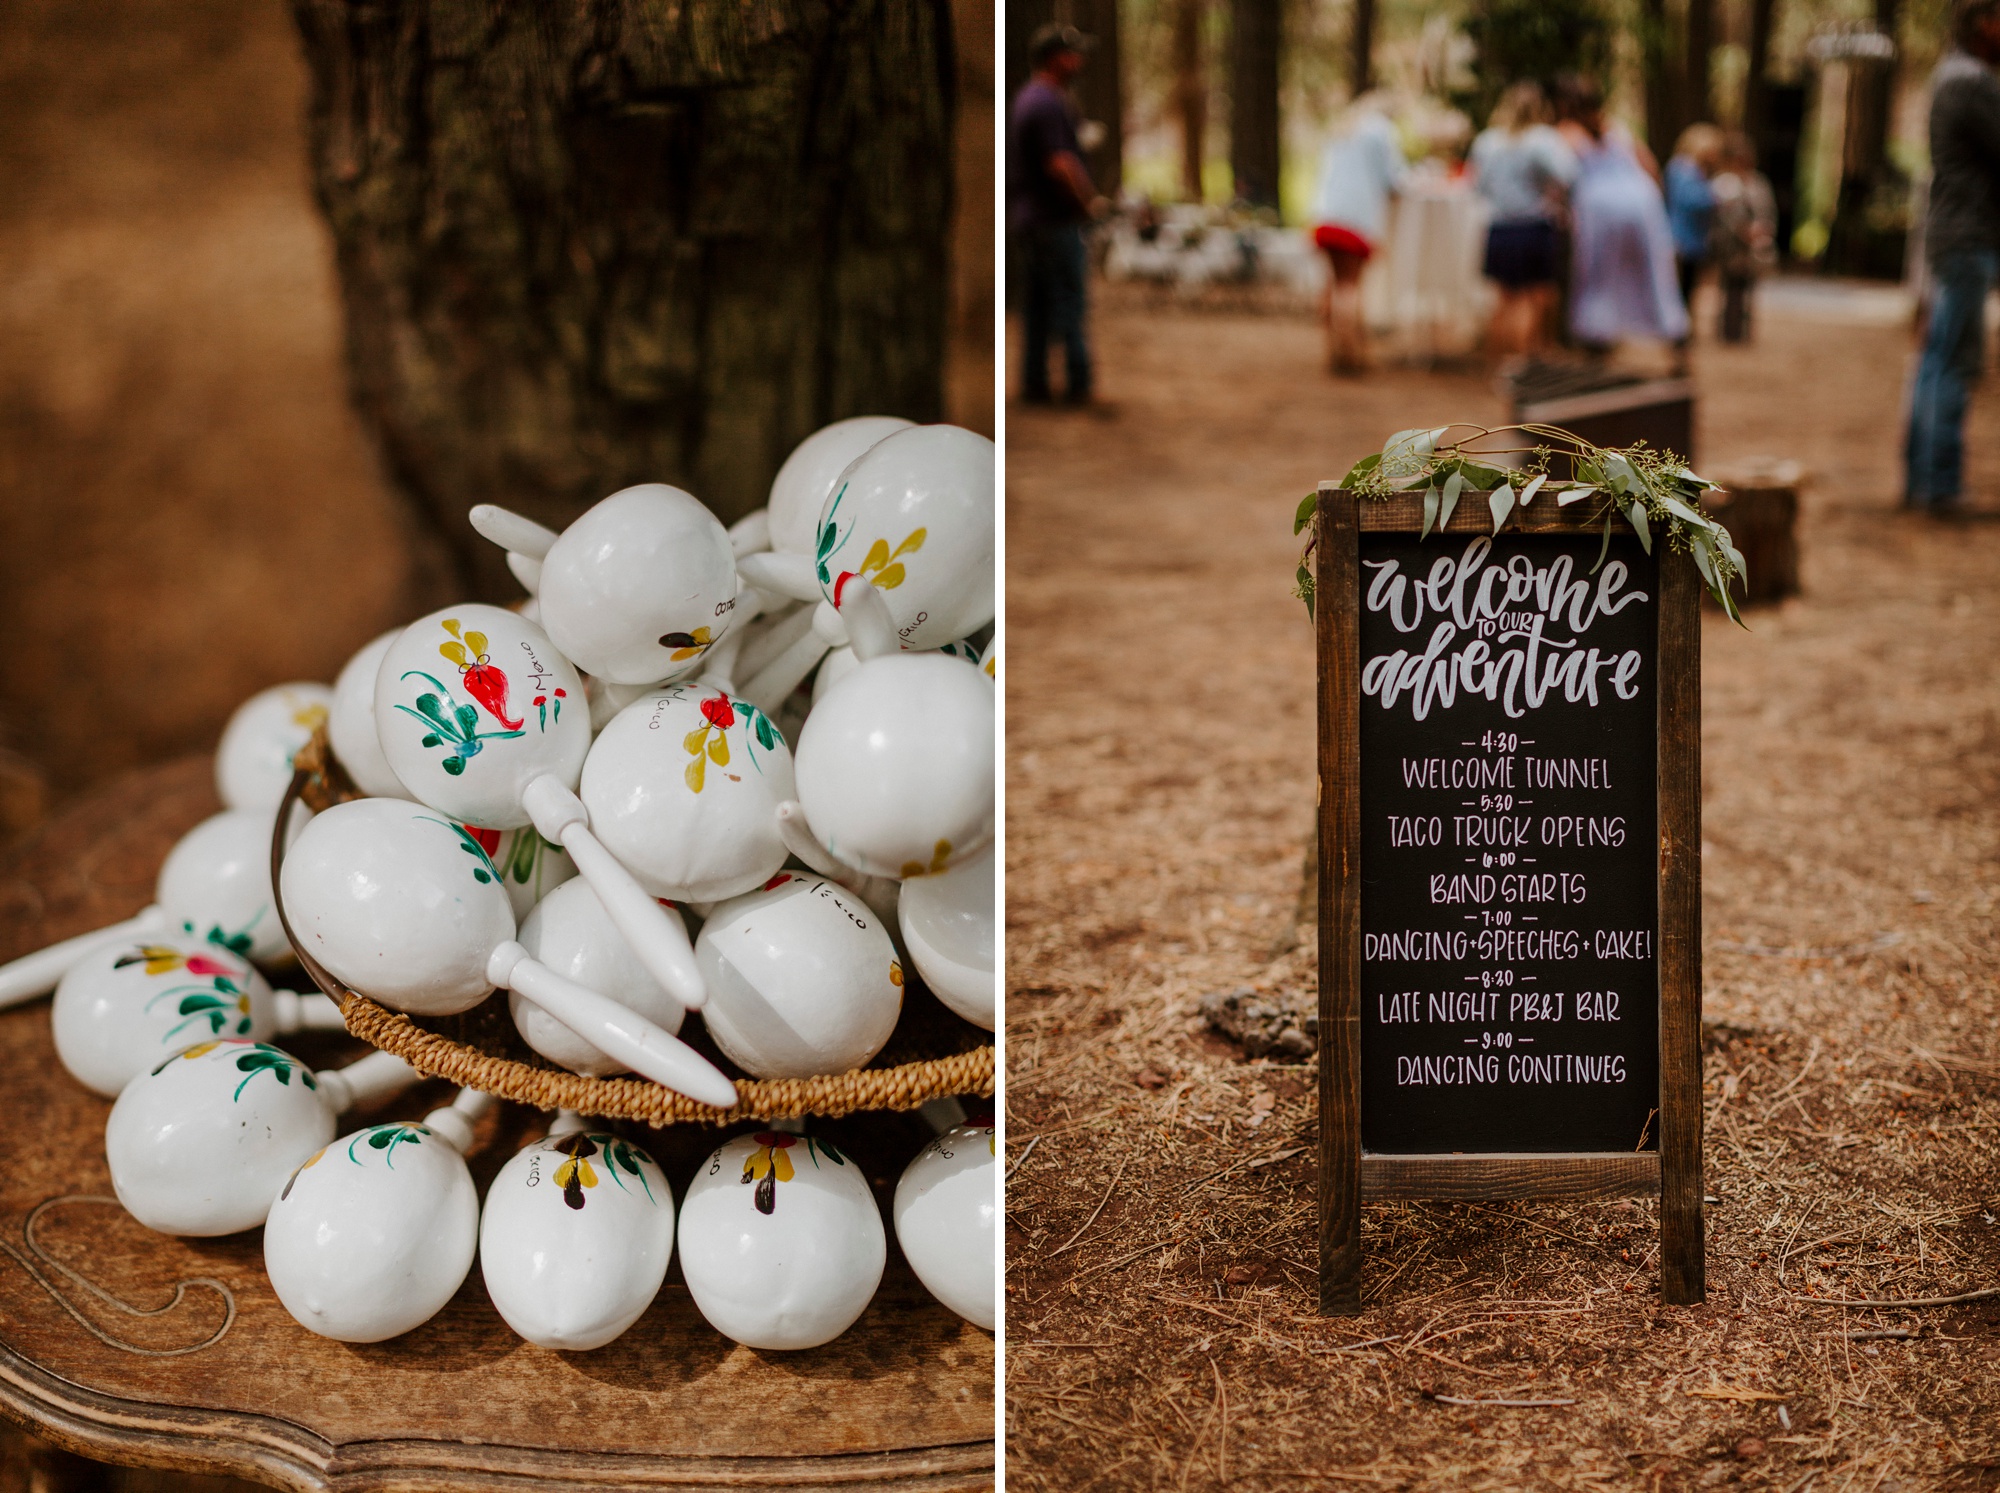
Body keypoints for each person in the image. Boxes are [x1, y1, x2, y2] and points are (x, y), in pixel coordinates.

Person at [1904, 0, 2000, 511]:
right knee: (1954, 362)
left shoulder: (1952, 76)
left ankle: (1923, 480)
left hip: (1953, 236)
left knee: (1936, 359)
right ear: (1986, 23)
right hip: (1966, 239)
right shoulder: (1972, 83)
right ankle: (1938, 486)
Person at [1008, 24, 1107, 406]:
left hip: (1032, 221)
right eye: (1073, 53)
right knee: (1069, 301)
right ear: (1056, 58)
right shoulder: (1045, 102)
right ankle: (1077, 385)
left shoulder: (1033, 99)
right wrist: (1089, 202)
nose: (1079, 60)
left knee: (1037, 306)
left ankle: (1034, 385)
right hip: (1053, 222)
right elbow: (1060, 164)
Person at [1554, 75, 1687, 354]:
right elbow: (1649, 166)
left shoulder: (1568, 132)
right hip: (1642, 200)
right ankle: (1674, 333)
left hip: (1600, 207)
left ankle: (1597, 336)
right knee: (1655, 273)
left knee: (1598, 274)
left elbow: (1560, 179)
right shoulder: (1617, 128)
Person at [1468, 81, 1577, 359]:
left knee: (1504, 302)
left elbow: (1477, 186)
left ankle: (1501, 366)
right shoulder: (1542, 139)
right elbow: (1567, 176)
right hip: (1532, 228)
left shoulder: (1487, 141)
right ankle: (1523, 366)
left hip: (1499, 228)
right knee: (1532, 299)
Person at [1309, 95, 1407, 375]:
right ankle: (1350, 355)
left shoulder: (1342, 129)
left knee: (1333, 283)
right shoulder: (1381, 130)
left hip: (1325, 213)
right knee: (1350, 286)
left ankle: (1333, 352)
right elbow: (1394, 179)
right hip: (1356, 218)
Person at [1709, 133, 1777, 344]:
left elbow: (1768, 211)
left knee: (1749, 289)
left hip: (1755, 247)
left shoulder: (1759, 184)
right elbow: (1721, 216)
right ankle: (1728, 331)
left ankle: (1745, 332)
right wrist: (1741, 230)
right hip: (1731, 246)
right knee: (1730, 288)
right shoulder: (1725, 183)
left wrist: (1763, 230)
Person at [1665, 124, 1723, 336]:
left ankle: (1684, 328)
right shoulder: (1683, 168)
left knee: (1689, 288)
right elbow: (1690, 200)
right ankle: (1679, 330)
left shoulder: (1692, 170)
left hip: (1694, 240)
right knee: (1682, 288)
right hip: (1682, 240)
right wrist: (1715, 196)